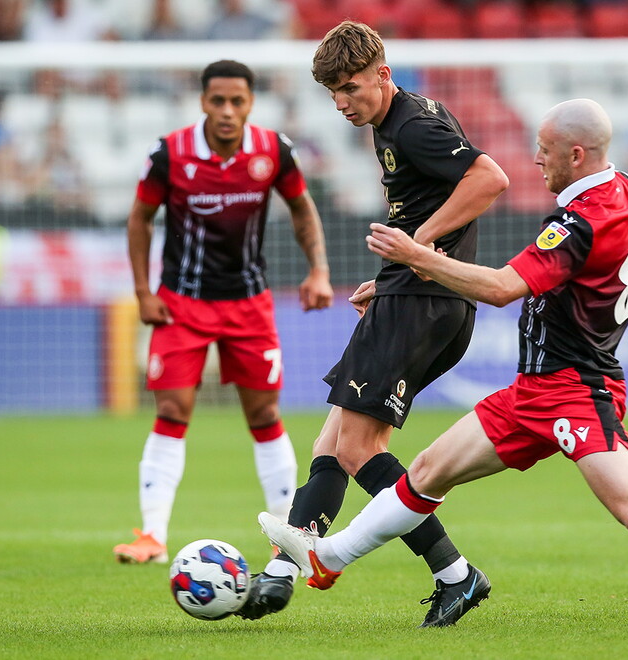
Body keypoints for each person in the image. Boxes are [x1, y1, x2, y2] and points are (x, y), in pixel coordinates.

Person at [259, 98, 628, 631]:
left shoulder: (582, 222)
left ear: (575, 155)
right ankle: (329, 557)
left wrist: (416, 258)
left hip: (578, 392)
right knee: (429, 470)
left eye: (544, 149)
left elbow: (504, 288)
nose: (535, 159)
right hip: (529, 391)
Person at [240, 20, 509, 626]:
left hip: (423, 304)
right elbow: (441, 196)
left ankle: (456, 574)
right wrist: (394, 275)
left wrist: (418, 249)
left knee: (360, 449)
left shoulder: (412, 125)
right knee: (332, 446)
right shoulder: (394, 120)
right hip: (413, 296)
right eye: (332, 91)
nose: (341, 102)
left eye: (350, 88)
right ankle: (282, 574)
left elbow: (490, 178)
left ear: (383, 75)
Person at [114, 59, 333, 564]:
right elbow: (140, 219)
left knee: (264, 414)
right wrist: (143, 292)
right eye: (218, 101)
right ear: (203, 103)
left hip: (248, 303)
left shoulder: (273, 151)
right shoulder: (169, 154)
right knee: (172, 410)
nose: (228, 111)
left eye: (238, 101)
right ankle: (152, 535)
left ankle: (290, 539)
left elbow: (302, 208)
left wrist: (317, 270)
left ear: (251, 103)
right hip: (180, 305)